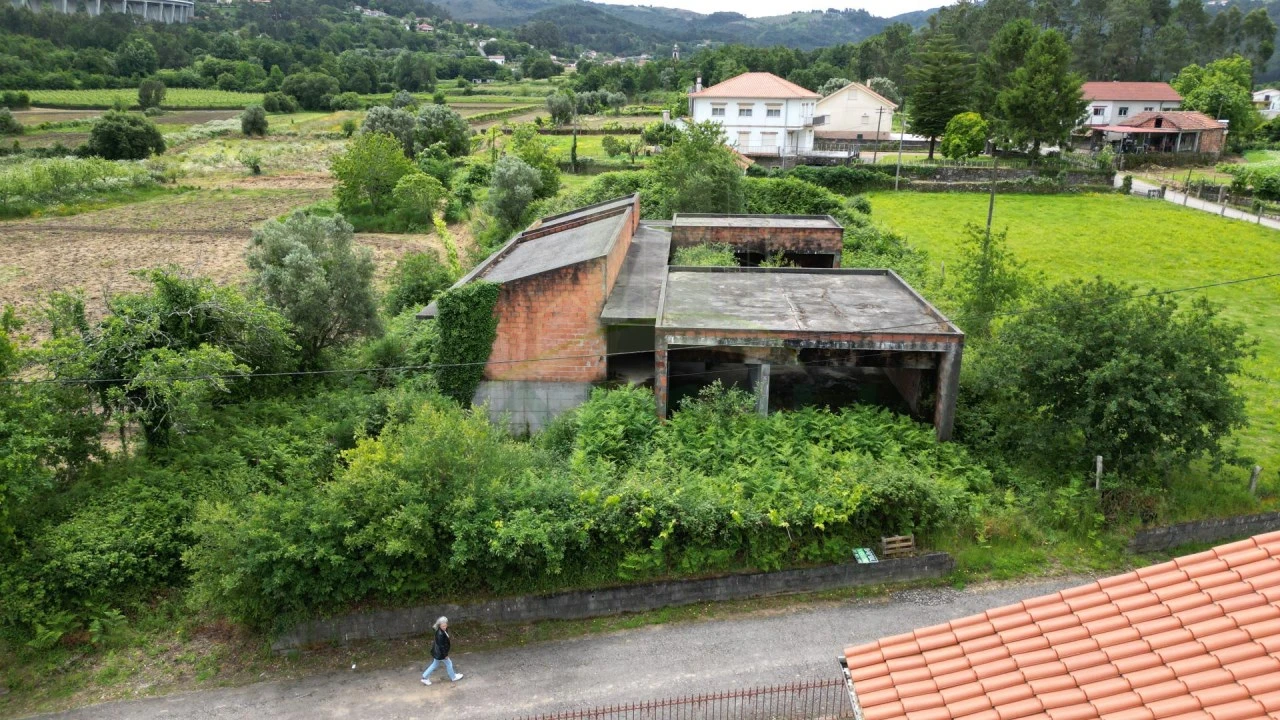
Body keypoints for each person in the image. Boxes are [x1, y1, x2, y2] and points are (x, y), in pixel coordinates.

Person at [421, 616, 464, 686]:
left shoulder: (441, 630)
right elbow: (441, 646)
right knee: (449, 663)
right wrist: (445, 655)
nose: (444, 627)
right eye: (443, 626)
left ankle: (424, 677)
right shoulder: (440, 634)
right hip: (441, 653)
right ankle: (453, 677)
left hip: (438, 653)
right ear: (439, 625)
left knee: (434, 664)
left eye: (445, 625)